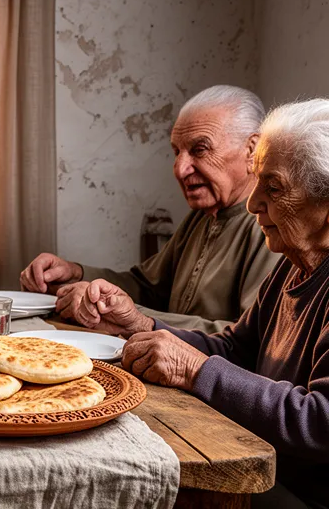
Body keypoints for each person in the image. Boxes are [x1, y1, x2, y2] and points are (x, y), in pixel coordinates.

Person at [72, 99, 329, 508]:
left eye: (273, 187)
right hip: (261, 464)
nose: (252, 203)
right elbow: (233, 348)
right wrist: (141, 329)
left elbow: (320, 422)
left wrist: (194, 369)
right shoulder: (289, 267)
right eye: (257, 180)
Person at [21, 85, 280, 333]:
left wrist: (135, 317)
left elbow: (247, 340)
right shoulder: (201, 217)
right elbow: (147, 286)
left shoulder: (272, 227)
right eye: (177, 152)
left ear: (252, 150)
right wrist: (76, 273)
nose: (180, 169)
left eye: (199, 149)